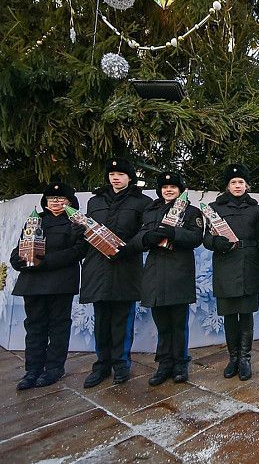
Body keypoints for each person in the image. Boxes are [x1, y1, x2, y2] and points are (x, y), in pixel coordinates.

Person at [79, 158, 152, 388]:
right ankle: (101, 365)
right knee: (101, 320)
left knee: (122, 318)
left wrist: (126, 248)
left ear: (130, 177)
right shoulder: (95, 201)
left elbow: (145, 233)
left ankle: (121, 364)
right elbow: (87, 231)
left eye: (120, 174)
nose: (115, 177)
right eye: (112, 174)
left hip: (125, 268)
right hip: (98, 268)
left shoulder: (143, 202)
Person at [9, 183, 84, 390]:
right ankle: (32, 369)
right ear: (45, 201)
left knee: (58, 327)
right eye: (52, 199)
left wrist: (44, 261)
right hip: (32, 284)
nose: (56, 203)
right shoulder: (36, 220)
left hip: (60, 283)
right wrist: (17, 260)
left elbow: (78, 251)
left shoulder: (75, 222)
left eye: (61, 199)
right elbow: (21, 246)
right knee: (34, 327)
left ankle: (54, 368)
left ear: (69, 202)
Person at [133, 171, 203, 385]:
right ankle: (164, 364)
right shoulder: (151, 210)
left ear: (180, 190)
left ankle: (181, 363)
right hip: (154, 273)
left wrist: (175, 234)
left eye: (173, 187)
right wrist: (147, 238)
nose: (169, 190)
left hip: (178, 272)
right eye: (165, 187)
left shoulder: (191, 212)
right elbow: (138, 237)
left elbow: (196, 237)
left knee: (178, 324)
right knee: (162, 324)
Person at [203, 164, 259, 380]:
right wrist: (215, 242)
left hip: (250, 264)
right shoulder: (214, 208)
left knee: (246, 314)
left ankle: (246, 359)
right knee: (230, 315)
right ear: (227, 186)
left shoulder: (255, 209)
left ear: (247, 185)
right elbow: (205, 237)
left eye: (241, 182)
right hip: (226, 265)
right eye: (233, 182)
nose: (237, 186)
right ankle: (233, 358)